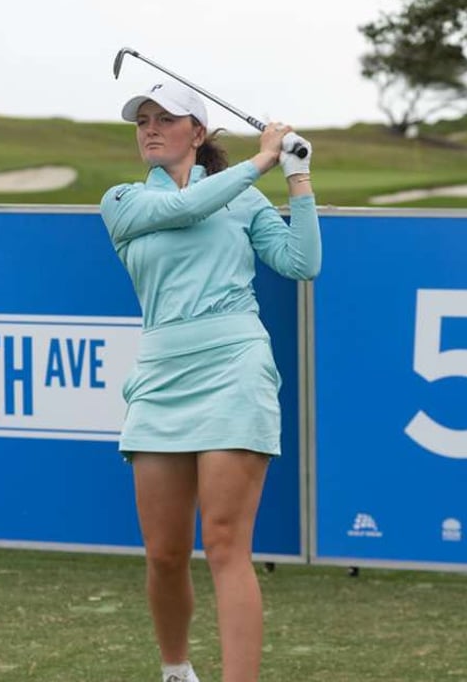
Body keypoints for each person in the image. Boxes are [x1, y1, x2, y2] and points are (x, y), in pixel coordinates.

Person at [99, 81, 320, 682]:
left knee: (225, 544)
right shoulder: (122, 201)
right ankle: (176, 672)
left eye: (164, 119)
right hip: (161, 377)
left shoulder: (243, 200)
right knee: (165, 553)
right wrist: (261, 161)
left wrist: (297, 178)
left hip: (234, 367)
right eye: (142, 120)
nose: (150, 128)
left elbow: (302, 263)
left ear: (196, 132)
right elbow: (185, 209)